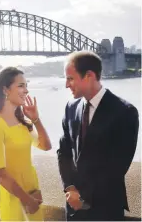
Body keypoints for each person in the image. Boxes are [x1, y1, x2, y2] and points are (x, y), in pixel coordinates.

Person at [57, 51, 139, 221]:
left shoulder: (124, 112)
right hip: (73, 208)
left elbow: (117, 166)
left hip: (105, 208)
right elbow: (63, 152)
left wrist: (83, 197)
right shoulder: (71, 107)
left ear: (89, 76)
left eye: (70, 78)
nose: (66, 85)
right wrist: (70, 188)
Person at [0, 67, 52, 221]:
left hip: (33, 194)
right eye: (21, 86)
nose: (26, 91)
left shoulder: (23, 122)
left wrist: (36, 119)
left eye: (26, 86)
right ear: (5, 90)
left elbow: (46, 146)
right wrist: (27, 200)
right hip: (16, 197)